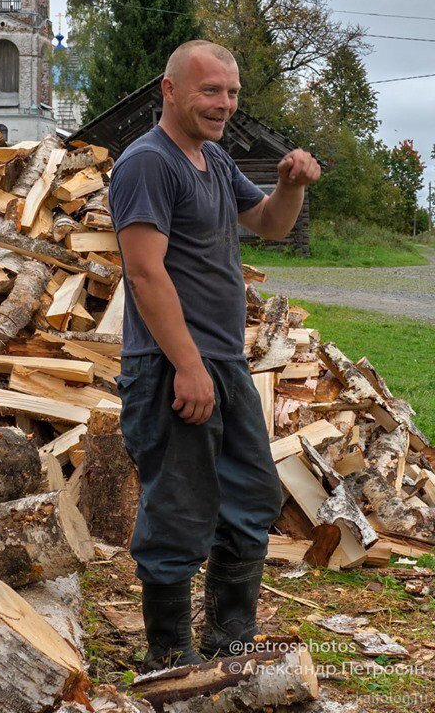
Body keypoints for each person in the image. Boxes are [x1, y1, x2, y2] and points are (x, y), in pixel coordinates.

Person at [108, 40, 321, 671]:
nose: (223, 104)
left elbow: (270, 225)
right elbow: (146, 274)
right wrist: (189, 366)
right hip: (172, 366)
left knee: (251, 497)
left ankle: (231, 645)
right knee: (178, 509)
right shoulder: (148, 164)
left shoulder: (214, 159)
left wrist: (288, 186)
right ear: (169, 90)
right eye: (209, 90)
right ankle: (169, 659)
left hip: (222, 363)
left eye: (230, 93)